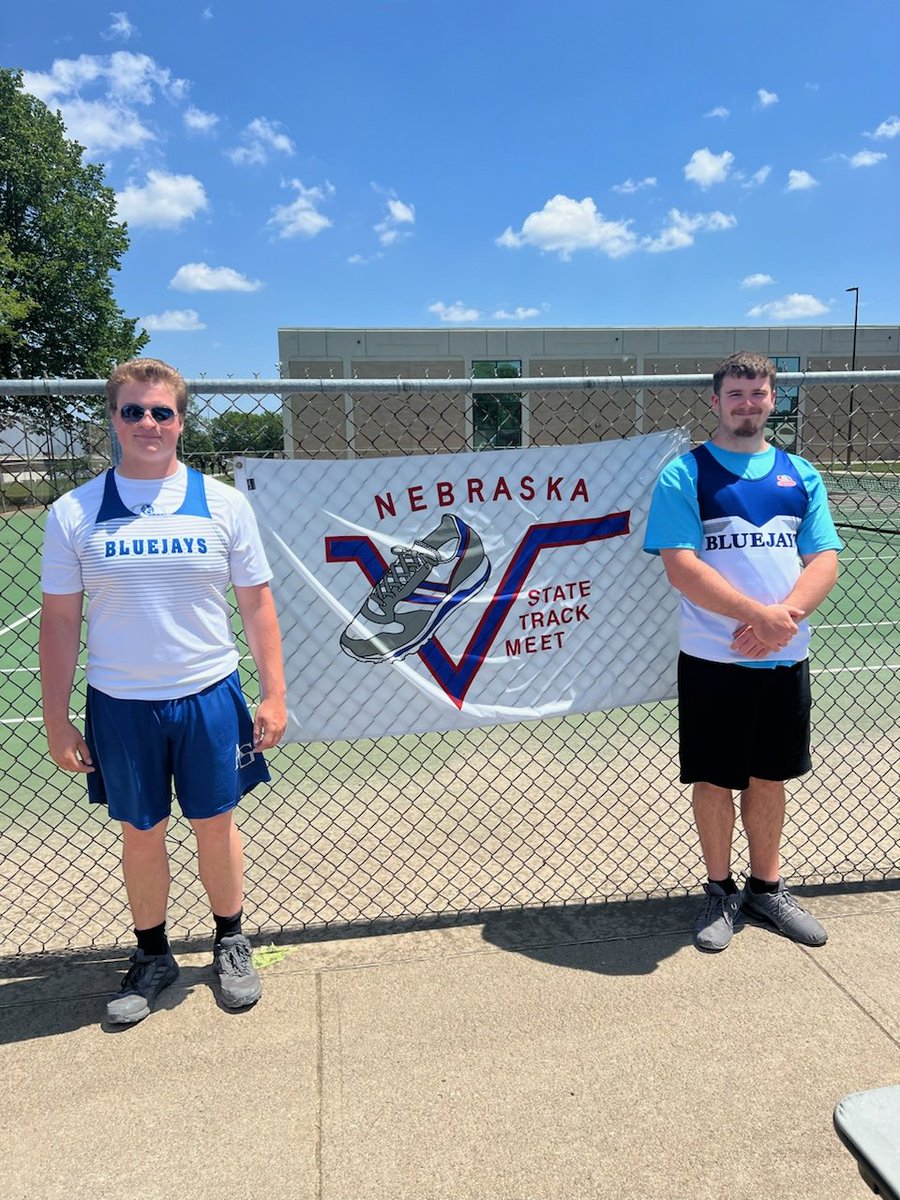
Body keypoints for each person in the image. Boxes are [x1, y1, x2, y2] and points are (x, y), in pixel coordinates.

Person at [39, 357, 287, 1023]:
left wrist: (274, 694)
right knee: (141, 831)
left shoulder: (224, 503)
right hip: (120, 704)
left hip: (208, 695)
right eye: (133, 411)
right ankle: (152, 956)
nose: (148, 422)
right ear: (114, 419)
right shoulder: (74, 511)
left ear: (180, 421)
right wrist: (56, 719)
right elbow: (61, 622)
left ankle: (230, 941)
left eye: (161, 411)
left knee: (215, 823)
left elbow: (258, 605)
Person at [644, 351, 841, 952]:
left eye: (758, 394)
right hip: (713, 659)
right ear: (716, 401)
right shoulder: (686, 475)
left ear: (772, 400)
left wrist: (784, 622)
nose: (747, 404)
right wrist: (759, 616)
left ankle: (765, 888)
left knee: (768, 776)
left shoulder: (799, 474)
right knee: (713, 778)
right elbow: (682, 567)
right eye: (736, 394)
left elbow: (825, 559)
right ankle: (719, 891)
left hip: (783, 657)